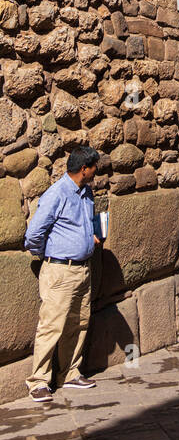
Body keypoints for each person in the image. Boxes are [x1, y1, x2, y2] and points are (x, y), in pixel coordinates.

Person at [24, 147, 102, 403]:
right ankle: (38, 382)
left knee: (78, 324)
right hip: (59, 270)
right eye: (94, 168)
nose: (96, 172)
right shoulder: (56, 194)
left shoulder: (87, 193)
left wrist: (88, 239)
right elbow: (33, 234)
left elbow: (83, 224)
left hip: (83, 269)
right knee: (51, 327)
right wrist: (51, 255)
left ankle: (69, 373)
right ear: (84, 169)